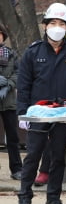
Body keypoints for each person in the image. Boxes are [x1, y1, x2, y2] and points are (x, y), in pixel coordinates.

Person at [16, 3, 66, 204]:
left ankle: (53, 199)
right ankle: (24, 197)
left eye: (61, 23)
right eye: (53, 23)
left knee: (58, 156)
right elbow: (24, 84)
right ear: (45, 25)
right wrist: (23, 112)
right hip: (38, 112)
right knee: (33, 155)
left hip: (64, 113)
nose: (57, 27)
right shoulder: (33, 52)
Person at [0, 23, 22, 180]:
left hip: (8, 101)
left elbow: (18, 73)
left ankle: (16, 169)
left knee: (13, 137)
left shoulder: (11, 54)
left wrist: (8, 85)